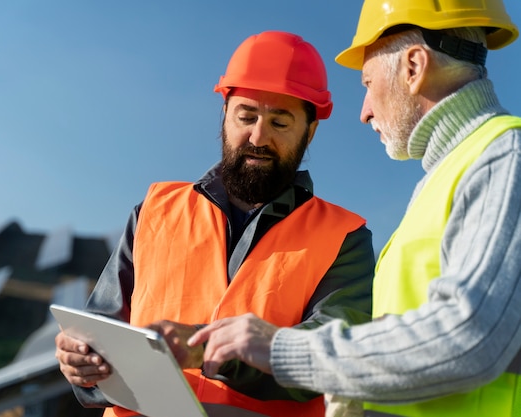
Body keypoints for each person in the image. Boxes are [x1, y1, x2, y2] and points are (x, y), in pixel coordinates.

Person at [188, 1, 521, 416]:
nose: (363, 112)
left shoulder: (504, 159)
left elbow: (473, 338)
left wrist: (280, 349)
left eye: (367, 82)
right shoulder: (453, 175)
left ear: (414, 67)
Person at [54, 30, 375, 417]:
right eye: (247, 116)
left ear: (310, 130)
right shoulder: (154, 210)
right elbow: (100, 334)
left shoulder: (344, 236)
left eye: (280, 122)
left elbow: (331, 357)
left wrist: (210, 350)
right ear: (225, 113)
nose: (259, 136)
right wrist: (81, 366)